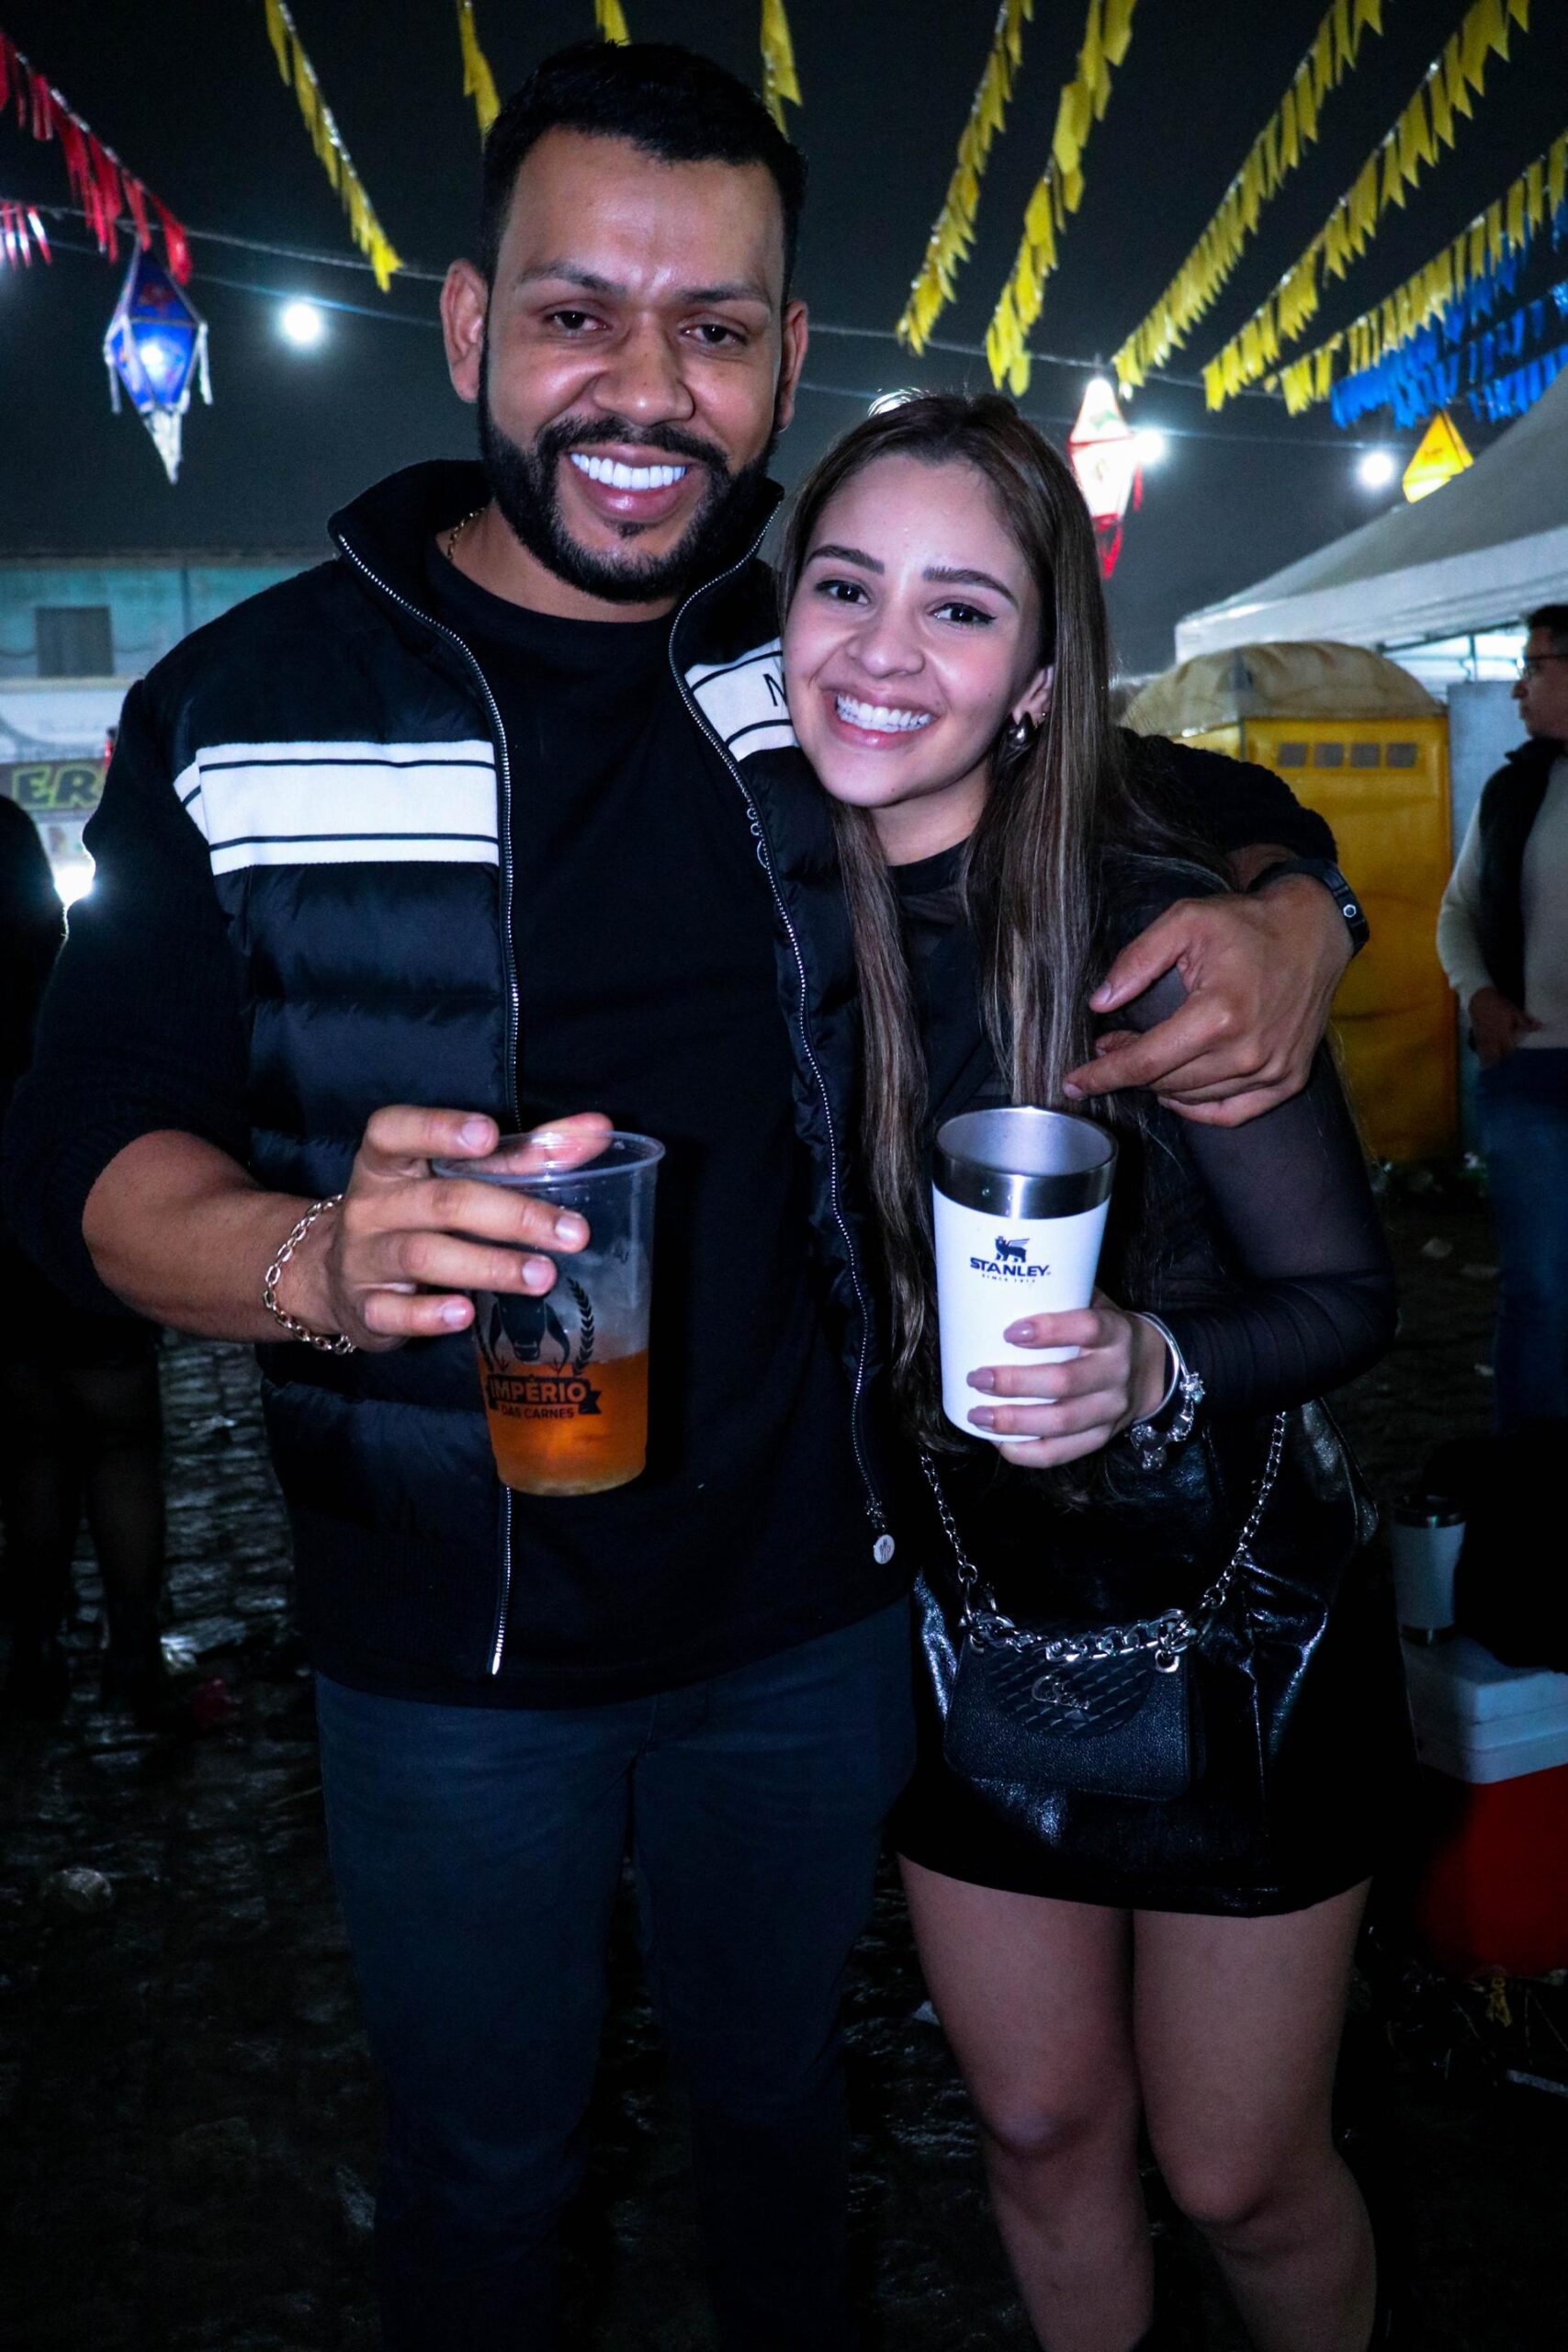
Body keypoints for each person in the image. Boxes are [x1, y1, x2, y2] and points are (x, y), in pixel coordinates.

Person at [4, 44, 1360, 2350]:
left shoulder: (811, 649)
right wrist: (305, 1255)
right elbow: (77, 1156)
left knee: (781, 2117)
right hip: (446, 1644)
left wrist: (1294, 901)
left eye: (711, 328)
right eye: (575, 314)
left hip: (810, 1615)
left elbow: (1127, 774)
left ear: (782, 359)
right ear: (466, 326)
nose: (643, 388)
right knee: (482, 2172)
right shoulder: (240, 701)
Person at [779, 394, 1406, 2352]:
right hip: (963, 1625)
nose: (882, 651)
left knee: (1236, 2172)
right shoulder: (768, 908)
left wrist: (1150, 1366)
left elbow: (1342, 1295)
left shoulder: (1150, 930)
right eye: (842, 587)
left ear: (1041, 678)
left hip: (1235, 1631)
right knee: (1043, 2132)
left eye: (958, 610)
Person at [0, 797, 168, 1724]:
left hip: (7, 1243)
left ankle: (32, 1649)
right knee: (121, 1442)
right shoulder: (67, 977)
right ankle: (134, 1654)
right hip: (85, 1215)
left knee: (32, 1451)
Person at [1437, 605, 1568, 1430]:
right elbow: (1456, 912)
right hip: (1530, 1068)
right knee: (1540, 1285)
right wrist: (1478, 995)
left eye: (1533, 667)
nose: (1518, 688)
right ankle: (1530, 1468)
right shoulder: (1514, 788)